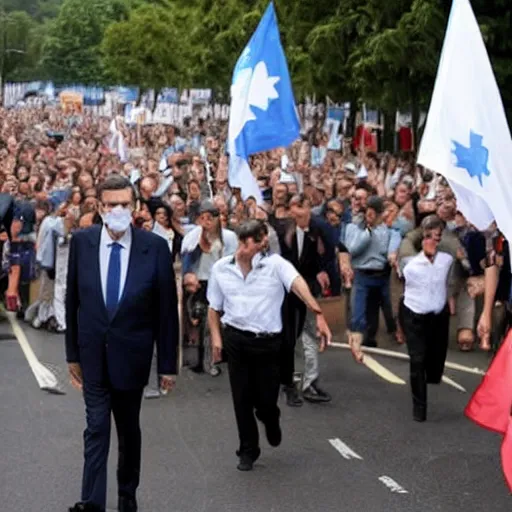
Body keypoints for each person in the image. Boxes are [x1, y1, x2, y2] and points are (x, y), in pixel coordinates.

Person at [65, 174, 179, 512]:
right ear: (99, 207)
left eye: (124, 205)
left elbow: (165, 315)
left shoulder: (154, 248)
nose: (118, 210)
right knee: (96, 428)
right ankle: (92, 503)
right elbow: (73, 302)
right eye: (111, 204)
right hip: (93, 356)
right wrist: (72, 354)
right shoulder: (82, 243)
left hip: (133, 356)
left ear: (135, 207)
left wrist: (168, 366)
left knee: (128, 429)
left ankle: (127, 492)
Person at [207, 220, 332, 472]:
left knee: (265, 400)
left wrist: (317, 312)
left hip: (268, 343)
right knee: (241, 398)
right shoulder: (221, 268)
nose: (246, 247)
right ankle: (247, 450)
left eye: (256, 241)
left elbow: (297, 284)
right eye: (248, 241)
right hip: (236, 340)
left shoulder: (276, 265)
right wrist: (217, 340)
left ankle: (270, 418)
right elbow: (213, 308)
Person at [398, 215, 454, 422]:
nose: (432, 241)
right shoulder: (409, 263)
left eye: (436, 237)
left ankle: (432, 376)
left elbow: (456, 275)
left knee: (436, 359)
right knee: (417, 360)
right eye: (427, 237)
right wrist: (398, 324)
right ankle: (419, 408)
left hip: (438, 315)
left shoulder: (446, 259)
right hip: (414, 314)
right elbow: (398, 290)